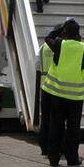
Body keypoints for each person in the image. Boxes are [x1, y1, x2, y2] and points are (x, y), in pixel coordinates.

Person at [42, 18, 84, 167]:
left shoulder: (60, 44)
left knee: (56, 127)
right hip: (75, 97)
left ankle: (53, 159)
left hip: (57, 94)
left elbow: (48, 38)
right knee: (73, 129)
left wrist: (60, 29)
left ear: (64, 32)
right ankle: (72, 158)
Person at [37, 23, 63, 156]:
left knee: (45, 119)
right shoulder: (57, 47)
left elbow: (37, 65)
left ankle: (43, 147)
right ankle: (55, 148)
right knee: (56, 121)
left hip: (44, 85)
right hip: (55, 87)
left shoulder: (42, 48)